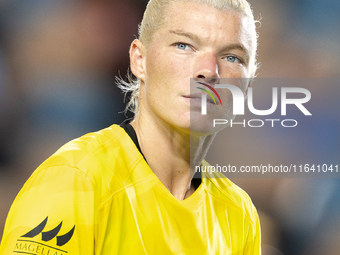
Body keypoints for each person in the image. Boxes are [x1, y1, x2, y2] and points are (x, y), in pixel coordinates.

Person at [0, 0, 261, 254]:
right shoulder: (75, 179)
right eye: (184, 45)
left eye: (232, 57)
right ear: (139, 60)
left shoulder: (239, 213)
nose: (208, 70)